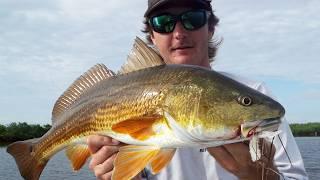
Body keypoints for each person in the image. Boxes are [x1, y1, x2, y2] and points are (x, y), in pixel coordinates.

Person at [87, 0, 308, 179]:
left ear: (210, 28)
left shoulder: (257, 96)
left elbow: (296, 177)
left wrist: (263, 177)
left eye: (192, 19)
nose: (179, 32)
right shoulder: (124, 95)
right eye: (163, 22)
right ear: (152, 35)